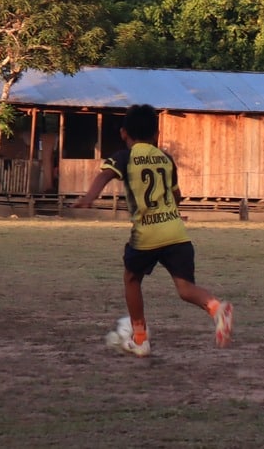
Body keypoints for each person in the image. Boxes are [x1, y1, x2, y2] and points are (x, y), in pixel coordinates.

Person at [73, 104, 234, 357]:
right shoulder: (166, 158)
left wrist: (88, 198)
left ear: (124, 133)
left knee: (131, 279)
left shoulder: (124, 157)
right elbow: (177, 195)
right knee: (185, 288)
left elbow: (104, 176)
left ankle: (140, 338)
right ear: (156, 134)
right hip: (177, 233)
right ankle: (216, 308)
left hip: (147, 234)